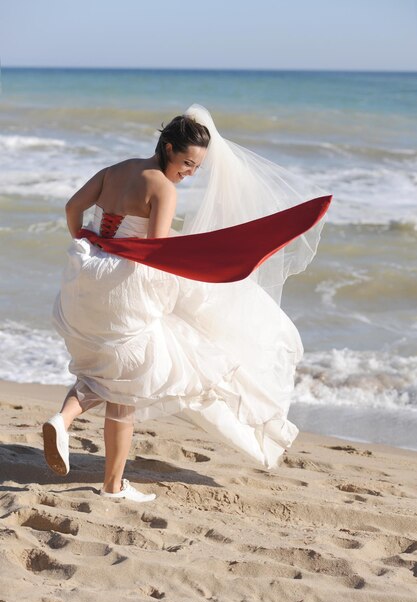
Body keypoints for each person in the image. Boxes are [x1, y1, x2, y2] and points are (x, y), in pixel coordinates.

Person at [43, 105, 328, 503]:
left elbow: (73, 208)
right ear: (168, 147)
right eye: (187, 163)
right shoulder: (163, 188)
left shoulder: (116, 169)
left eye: (197, 168)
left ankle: (63, 419)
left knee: (105, 370)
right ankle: (112, 487)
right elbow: (156, 252)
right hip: (126, 288)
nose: (189, 173)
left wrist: (92, 244)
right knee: (130, 384)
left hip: (86, 276)